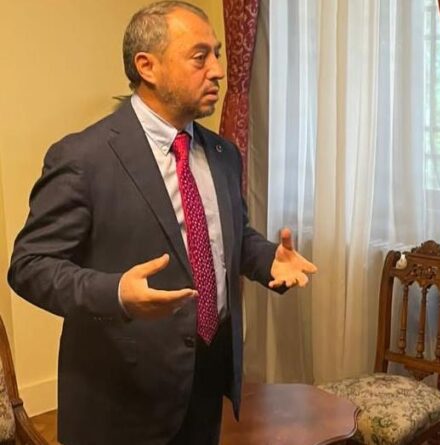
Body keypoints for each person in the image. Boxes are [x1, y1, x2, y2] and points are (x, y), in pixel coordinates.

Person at [7, 2, 317, 444]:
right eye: (200, 57)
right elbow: (30, 266)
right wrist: (115, 292)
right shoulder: (83, 157)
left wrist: (267, 259)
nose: (218, 71)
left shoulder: (223, 153)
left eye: (217, 54)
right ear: (147, 66)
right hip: (120, 398)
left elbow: (227, 237)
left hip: (207, 378)